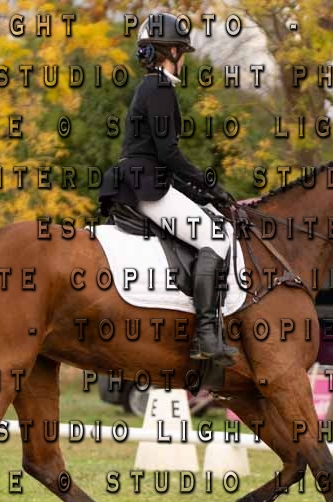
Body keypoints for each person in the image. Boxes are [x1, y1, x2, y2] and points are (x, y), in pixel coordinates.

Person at [99, 12, 237, 367]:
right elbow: (169, 154)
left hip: (142, 179)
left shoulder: (150, 87)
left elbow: (161, 158)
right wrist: (211, 186)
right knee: (216, 237)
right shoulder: (159, 88)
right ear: (171, 51)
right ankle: (206, 335)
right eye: (182, 52)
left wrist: (201, 194)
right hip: (145, 184)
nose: (184, 59)